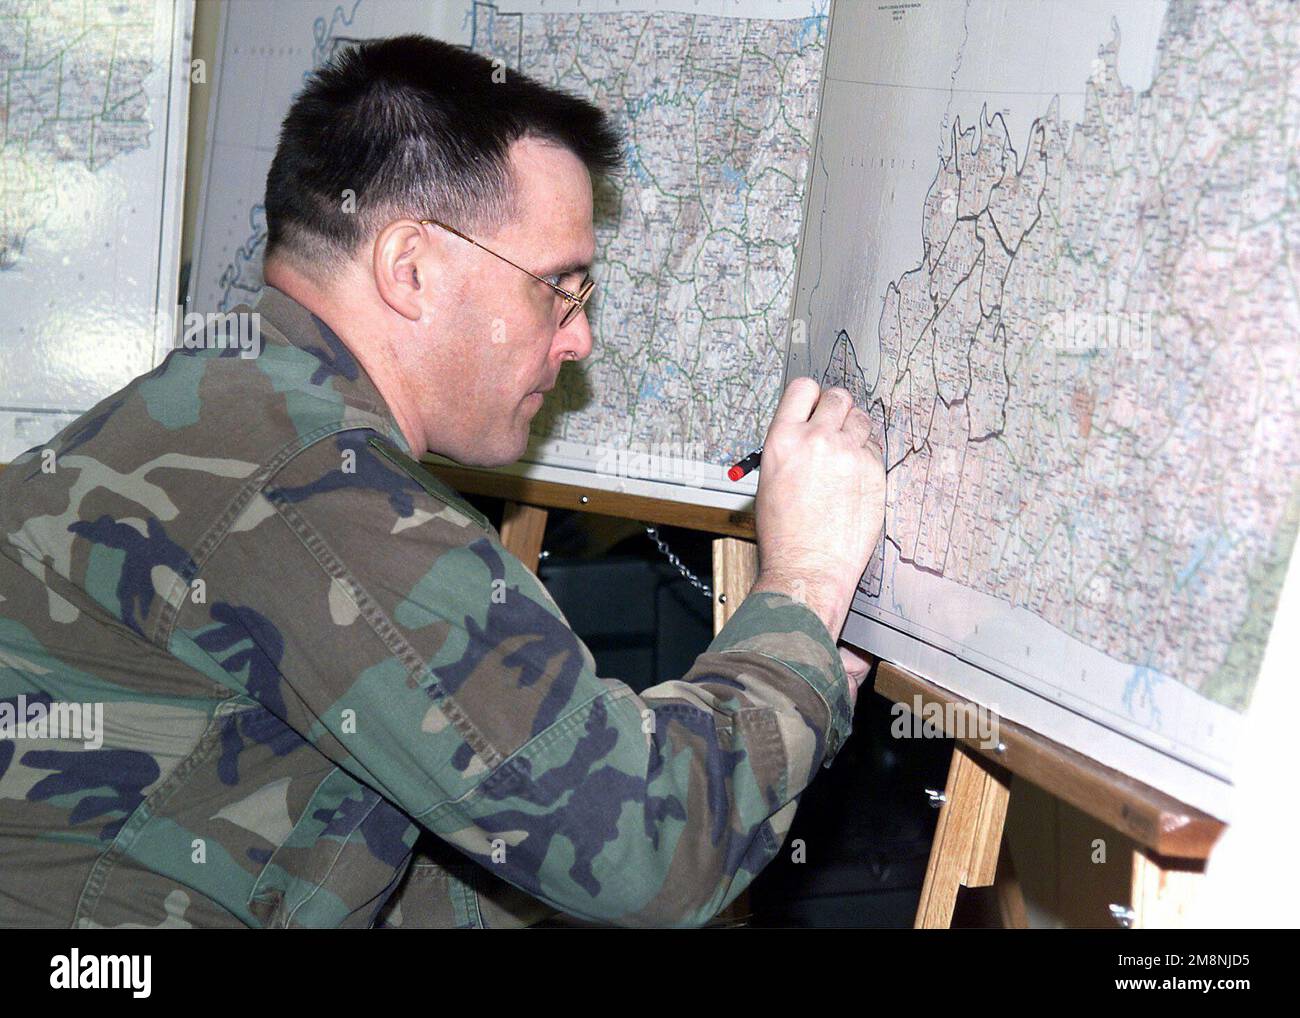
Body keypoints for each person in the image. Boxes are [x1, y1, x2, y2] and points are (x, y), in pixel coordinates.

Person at [0, 34, 885, 928]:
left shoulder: (227, 401)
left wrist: (781, 699)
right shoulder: (318, 490)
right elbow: (635, 851)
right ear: (410, 268)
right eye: (558, 287)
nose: (579, 339)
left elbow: (350, 870)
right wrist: (803, 589)